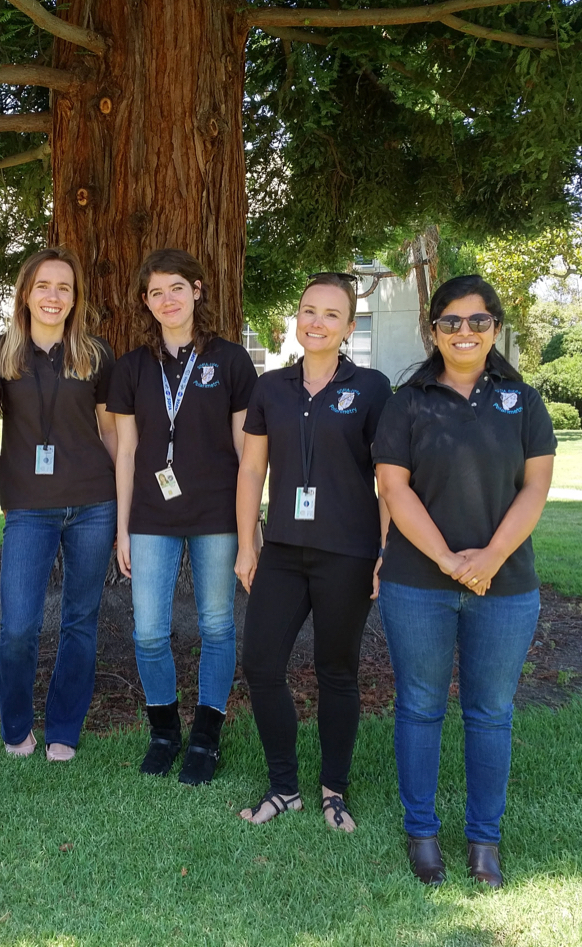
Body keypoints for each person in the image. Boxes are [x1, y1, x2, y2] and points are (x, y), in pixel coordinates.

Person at [373, 274, 556, 888]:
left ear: (495, 329)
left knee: (490, 713)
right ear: (433, 331)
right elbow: (394, 488)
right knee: (420, 708)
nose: (465, 332)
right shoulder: (408, 401)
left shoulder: (523, 401)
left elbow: (535, 488)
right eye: (451, 321)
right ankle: (422, 834)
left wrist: (490, 558)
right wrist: (451, 561)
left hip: (505, 588)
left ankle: (484, 841)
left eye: (478, 321)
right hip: (417, 584)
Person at [233, 273, 393, 832]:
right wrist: (246, 543)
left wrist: (381, 549)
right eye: (308, 311)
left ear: (349, 327)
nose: (316, 322)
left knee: (336, 670)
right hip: (279, 549)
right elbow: (252, 468)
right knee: (260, 663)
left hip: (346, 553)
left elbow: (388, 476)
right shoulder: (270, 388)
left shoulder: (371, 388)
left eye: (330, 314)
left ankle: (333, 791)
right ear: (297, 319)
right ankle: (284, 787)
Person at [108, 249, 257, 785]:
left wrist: (250, 527)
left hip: (218, 513)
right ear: (146, 303)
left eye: (176, 288)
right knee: (149, 632)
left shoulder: (232, 360)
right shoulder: (132, 367)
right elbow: (126, 451)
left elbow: (248, 451)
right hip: (150, 517)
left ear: (197, 290)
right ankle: (165, 732)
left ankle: (207, 737)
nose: (166, 300)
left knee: (217, 626)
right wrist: (122, 528)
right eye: (155, 292)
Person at [0, 248, 118, 762]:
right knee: (18, 624)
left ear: (75, 297)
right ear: (25, 292)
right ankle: (16, 729)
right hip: (29, 509)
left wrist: (122, 498)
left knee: (80, 620)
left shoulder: (96, 354)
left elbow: (108, 431)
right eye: (43, 285)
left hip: (93, 504)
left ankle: (63, 728)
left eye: (64, 287)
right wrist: (4, 473)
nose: (54, 296)